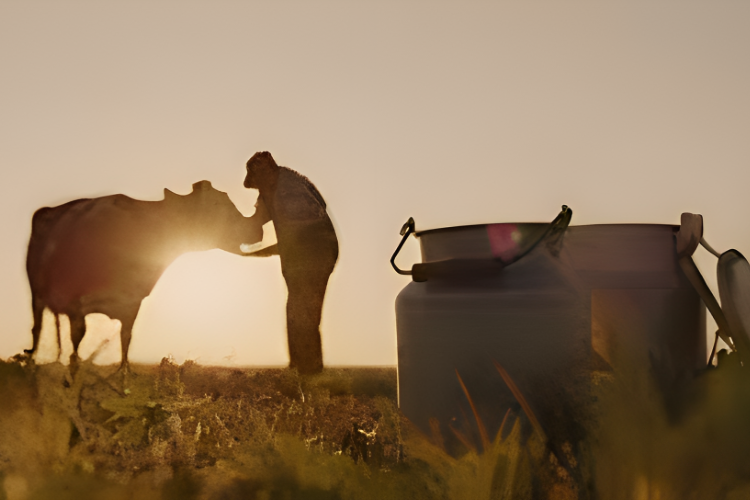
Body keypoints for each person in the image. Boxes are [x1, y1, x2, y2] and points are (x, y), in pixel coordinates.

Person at [243, 151, 339, 374]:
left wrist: (254, 252)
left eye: (257, 185)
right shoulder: (278, 185)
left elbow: (301, 238)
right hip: (308, 257)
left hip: (314, 257)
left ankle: (307, 374)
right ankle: (303, 370)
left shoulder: (289, 192)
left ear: (266, 175)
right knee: (298, 314)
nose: (258, 193)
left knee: (302, 316)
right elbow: (257, 221)